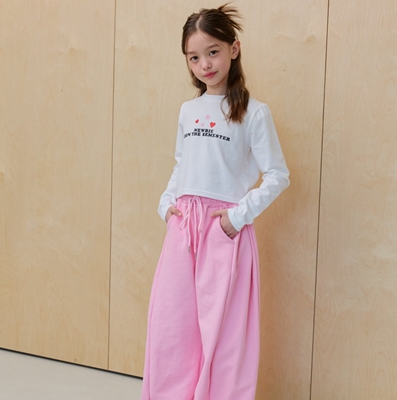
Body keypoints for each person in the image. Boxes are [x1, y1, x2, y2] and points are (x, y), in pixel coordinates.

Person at [141, 4, 289, 400]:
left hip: (224, 230)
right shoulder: (189, 111)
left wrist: (236, 218)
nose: (204, 64)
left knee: (224, 332)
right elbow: (182, 164)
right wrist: (166, 205)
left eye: (213, 52)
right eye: (194, 57)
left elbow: (278, 174)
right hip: (183, 227)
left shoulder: (254, 113)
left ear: (233, 49)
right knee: (172, 325)